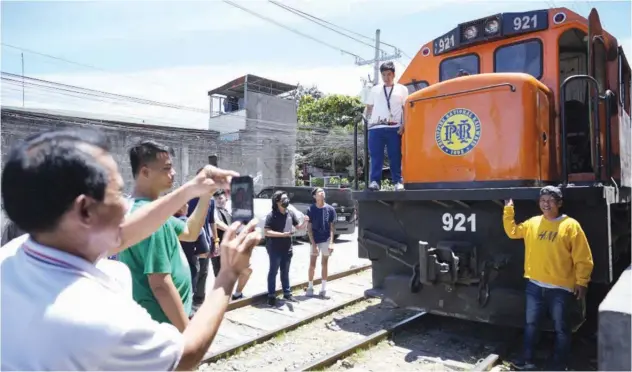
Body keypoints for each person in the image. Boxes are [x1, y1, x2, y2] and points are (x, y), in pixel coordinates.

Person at [1, 128, 261, 370]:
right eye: (118, 194)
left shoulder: (16, 253)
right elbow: (186, 353)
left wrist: (192, 189)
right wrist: (228, 275)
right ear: (85, 210)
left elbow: (123, 233)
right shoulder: (98, 318)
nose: (127, 206)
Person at [117, 140, 213, 331]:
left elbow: (190, 232)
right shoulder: (153, 220)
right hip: (164, 324)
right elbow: (160, 285)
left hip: (149, 320)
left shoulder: (143, 210)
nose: (174, 173)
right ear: (145, 172)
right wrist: (188, 336)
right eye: (166, 168)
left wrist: (206, 195)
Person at [503, 186, 594, 371]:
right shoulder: (533, 223)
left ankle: (559, 365)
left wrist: (582, 281)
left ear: (559, 203)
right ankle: (527, 360)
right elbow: (512, 232)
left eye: (550, 200)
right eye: (543, 200)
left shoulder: (570, 226)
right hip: (535, 285)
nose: (546, 204)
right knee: (530, 325)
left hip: (561, 288)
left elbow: (583, 257)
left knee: (562, 328)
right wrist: (508, 209)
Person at [364, 61, 409, 192]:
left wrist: (404, 124)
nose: (386, 77)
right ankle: (375, 182)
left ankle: (397, 182)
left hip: (394, 127)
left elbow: (405, 108)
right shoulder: (375, 89)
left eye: (389, 74)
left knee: (395, 155)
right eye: (383, 75)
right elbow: (369, 107)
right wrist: (366, 123)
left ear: (393, 74)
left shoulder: (402, 89)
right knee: (375, 156)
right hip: (375, 127)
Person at [264, 190, 308, 306]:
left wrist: (305, 223)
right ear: (277, 201)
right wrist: (283, 235)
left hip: (287, 247)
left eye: (286, 198)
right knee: (273, 271)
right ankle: (271, 296)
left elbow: (298, 227)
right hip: (274, 248)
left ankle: (287, 293)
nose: (286, 200)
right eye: (283, 199)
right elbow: (267, 232)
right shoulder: (271, 215)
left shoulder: (290, 213)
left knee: (285, 271)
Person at [213, 189, 252, 300]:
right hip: (221, 248)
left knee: (247, 270)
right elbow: (216, 222)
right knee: (222, 276)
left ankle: (237, 293)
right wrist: (232, 230)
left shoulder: (230, 211)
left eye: (220, 198)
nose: (218, 201)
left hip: (235, 247)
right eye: (215, 199)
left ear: (226, 198)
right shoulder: (214, 210)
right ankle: (221, 300)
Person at [187, 179, 218, 308]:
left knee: (204, 270)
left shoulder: (211, 201)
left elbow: (212, 221)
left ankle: (199, 299)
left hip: (205, 240)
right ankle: (188, 300)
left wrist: (216, 241)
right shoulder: (189, 199)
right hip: (190, 240)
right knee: (193, 270)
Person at [175, 202, 210, 304]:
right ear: (180, 209)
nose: (188, 205)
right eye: (185, 203)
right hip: (187, 271)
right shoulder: (194, 226)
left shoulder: (161, 224)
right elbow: (204, 252)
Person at [305, 187, 337, 298]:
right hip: (315, 239)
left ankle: (323, 288)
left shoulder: (330, 209)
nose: (322, 193)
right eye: (319, 192)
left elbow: (332, 227)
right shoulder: (311, 209)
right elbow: (309, 228)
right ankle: (310, 286)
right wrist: (313, 244)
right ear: (315, 196)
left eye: (322, 191)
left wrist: (332, 242)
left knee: (324, 263)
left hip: (326, 239)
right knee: (312, 264)